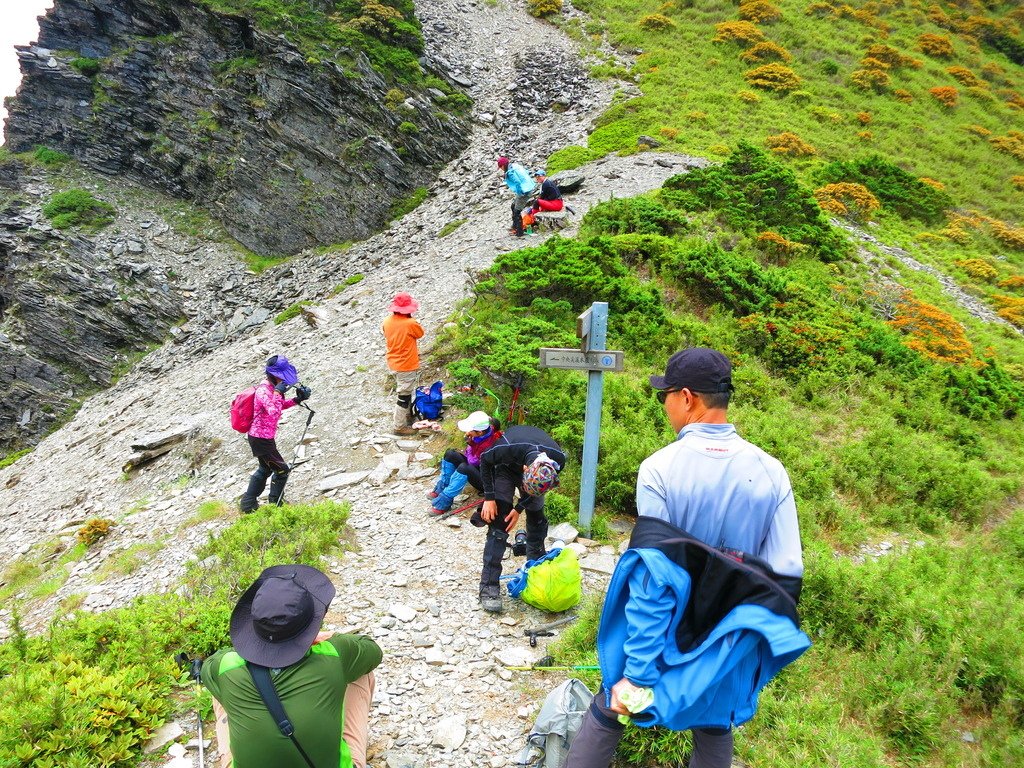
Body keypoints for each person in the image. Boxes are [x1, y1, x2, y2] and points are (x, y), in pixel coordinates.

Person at [564, 348, 808, 768]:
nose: (665, 405)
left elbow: (654, 579)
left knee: (611, 710)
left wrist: (638, 673)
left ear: (688, 397)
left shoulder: (660, 468)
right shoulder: (772, 471)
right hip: (724, 641)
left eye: (667, 395)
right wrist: (733, 651)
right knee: (714, 725)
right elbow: (786, 575)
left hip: (661, 638)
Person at [201, 564, 382, 768]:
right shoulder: (334, 654)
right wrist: (329, 637)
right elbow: (372, 651)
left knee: (222, 689)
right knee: (361, 672)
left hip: (240, 665)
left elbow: (207, 668)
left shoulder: (226, 666)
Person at [471, 424, 566, 612]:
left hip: (533, 473)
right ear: (525, 469)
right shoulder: (507, 448)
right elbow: (485, 460)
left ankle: (535, 570)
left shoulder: (557, 461)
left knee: (537, 519)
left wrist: (520, 508)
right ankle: (488, 586)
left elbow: (536, 491)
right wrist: (489, 498)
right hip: (506, 467)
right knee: (500, 521)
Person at [240, 355, 311, 514]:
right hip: (260, 439)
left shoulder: (272, 389)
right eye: (282, 376)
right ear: (273, 375)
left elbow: (279, 407)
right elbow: (273, 411)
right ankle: (276, 505)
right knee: (282, 470)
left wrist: (296, 400)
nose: (284, 380)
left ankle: (248, 504)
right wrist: (278, 393)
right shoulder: (263, 390)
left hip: (263, 437)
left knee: (264, 469)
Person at [428, 411, 503, 515]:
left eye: (470, 430)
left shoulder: (489, 446)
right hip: (479, 468)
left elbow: (472, 461)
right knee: (450, 454)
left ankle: (444, 502)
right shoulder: (486, 431)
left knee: (464, 467)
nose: (468, 432)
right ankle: (441, 488)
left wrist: (470, 444)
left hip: (489, 482)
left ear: (480, 432)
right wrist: (472, 441)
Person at [381, 292, 425, 436]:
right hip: (406, 364)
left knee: (405, 391)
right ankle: (399, 426)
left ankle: (407, 416)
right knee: (404, 395)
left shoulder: (387, 321)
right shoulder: (410, 323)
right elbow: (420, 334)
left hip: (393, 362)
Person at [497, 156, 536, 238]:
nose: (501, 169)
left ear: (504, 165)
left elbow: (517, 182)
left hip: (524, 191)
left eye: (500, 166)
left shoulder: (510, 172)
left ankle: (519, 232)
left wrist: (520, 192)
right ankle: (515, 227)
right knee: (513, 206)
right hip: (528, 186)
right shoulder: (515, 166)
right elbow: (526, 172)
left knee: (517, 212)